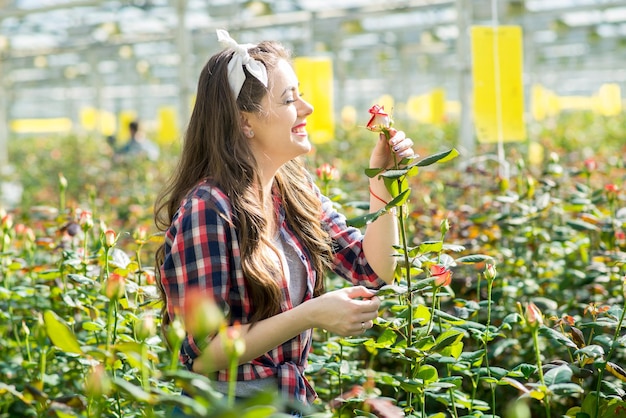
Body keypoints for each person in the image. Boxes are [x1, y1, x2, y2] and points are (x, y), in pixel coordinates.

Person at [153, 29, 415, 410]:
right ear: (247, 122)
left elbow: (372, 268)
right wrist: (310, 314)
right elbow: (204, 354)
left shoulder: (292, 191)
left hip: (290, 402)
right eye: (290, 99)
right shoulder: (208, 209)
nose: (307, 108)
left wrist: (384, 181)